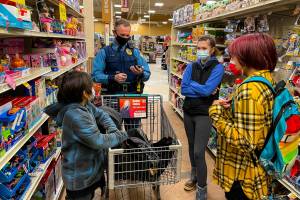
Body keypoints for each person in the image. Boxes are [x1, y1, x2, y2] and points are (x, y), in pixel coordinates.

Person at [209, 33, 277, 200]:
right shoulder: (266, 80)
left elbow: (246, 141)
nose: (231, 60)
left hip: (242, 176)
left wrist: (216, 114)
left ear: (248, 56)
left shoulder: (249, 90)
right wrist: (231, 110)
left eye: (234, 56)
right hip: (254, 170)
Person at [44, 71, 128, 200]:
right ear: (84, 93)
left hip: (90, 169)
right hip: (79, 178)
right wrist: (122, 135)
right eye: (91, 86)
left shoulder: (84, 104)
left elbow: (101, 114)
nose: (94, 88)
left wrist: (112, 128)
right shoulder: (75, 116)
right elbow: (98, 141)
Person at [181, 35, 224, 199]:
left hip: (204, 114)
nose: (200, 51)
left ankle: (202, 188)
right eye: (198, 48)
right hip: (188, 111)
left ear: (212, 49)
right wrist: (203, 89)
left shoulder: (218, 68)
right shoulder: (191, 66)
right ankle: (194, 176)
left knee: (199, 151)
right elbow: (184, 89)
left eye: (204, 48)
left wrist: (194, 85)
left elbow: (208, 91)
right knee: (191, 147)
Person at [92, 18, 151, 95]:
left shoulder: (135, 52)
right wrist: (113, 77)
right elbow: (95, 76)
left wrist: (141, 73)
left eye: (127, 35)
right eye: (122, 35)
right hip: (111, 95)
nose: (125, 38)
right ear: (114, 33)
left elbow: (147, 73)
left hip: (133, 94)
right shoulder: (104, 52)